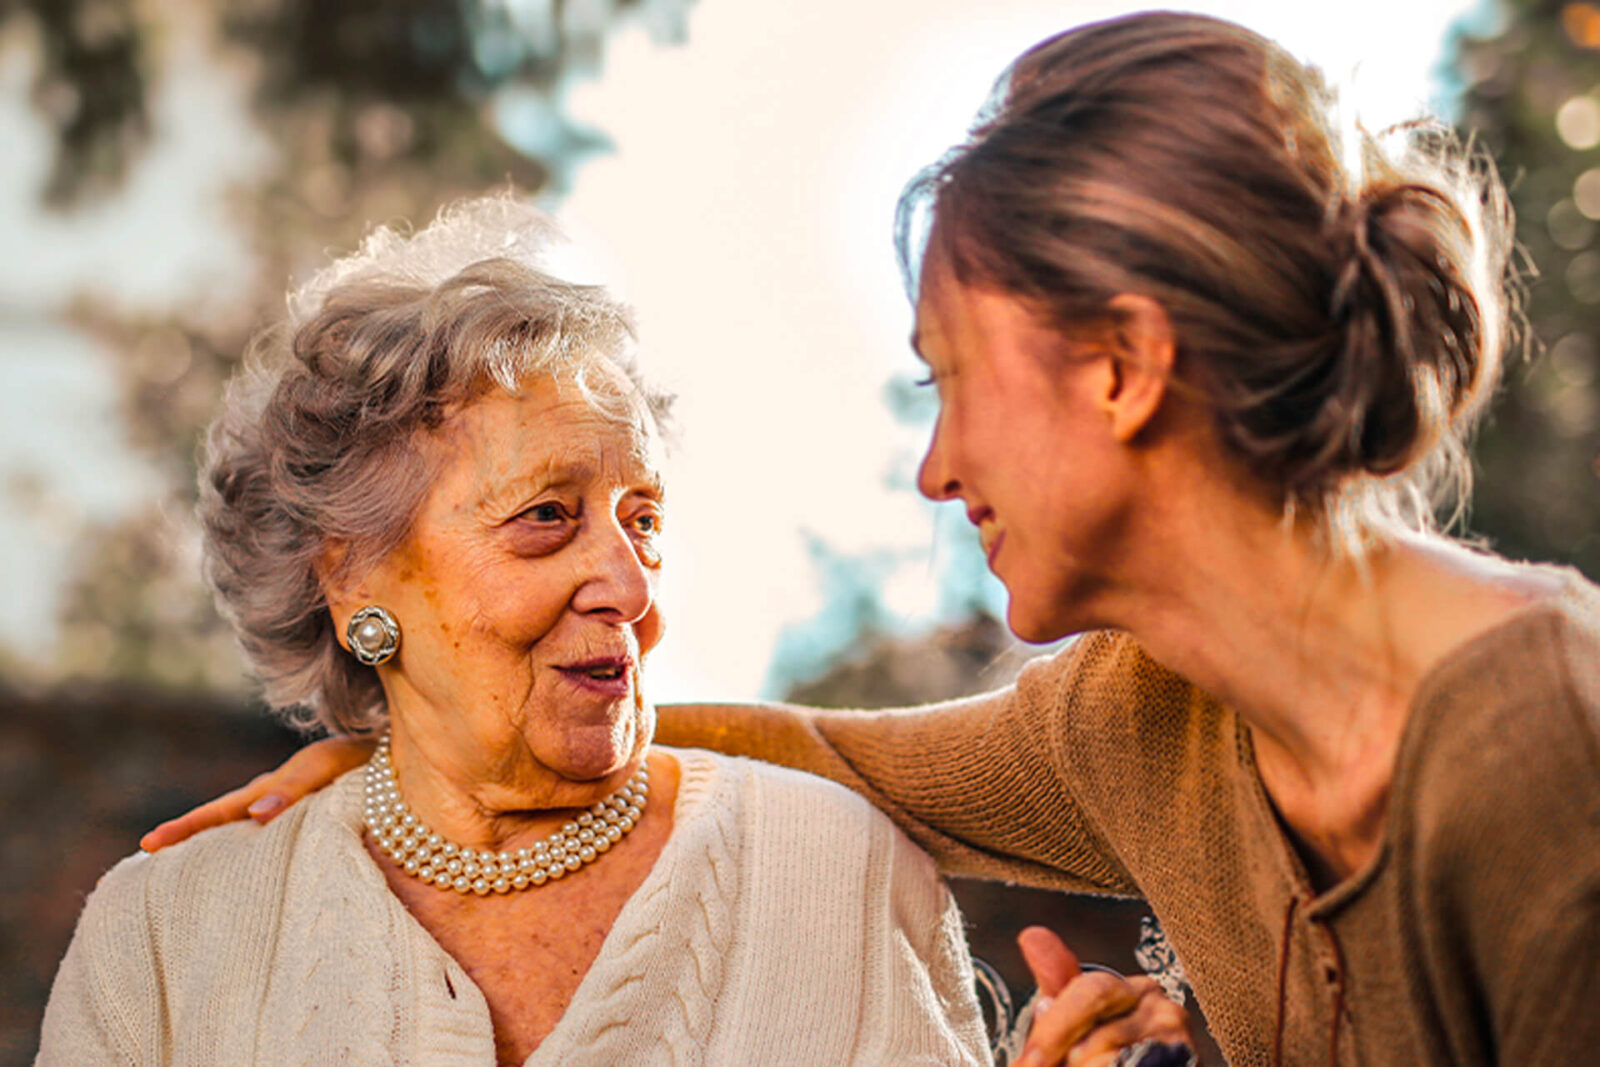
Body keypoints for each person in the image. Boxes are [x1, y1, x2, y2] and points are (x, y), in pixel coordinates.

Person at [141, 10, 1600, 1067]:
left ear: (1121, 367)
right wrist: (431, 734)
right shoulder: (1144, 719)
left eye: (950, 379)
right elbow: (830, 755)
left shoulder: (1543, 744)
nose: (936, 466)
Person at [38, 198, 1002, 1066]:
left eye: (643, 520)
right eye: (547, 515)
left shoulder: (837, 869)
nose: (630, 586)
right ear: (352, 574)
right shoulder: (161, 938)